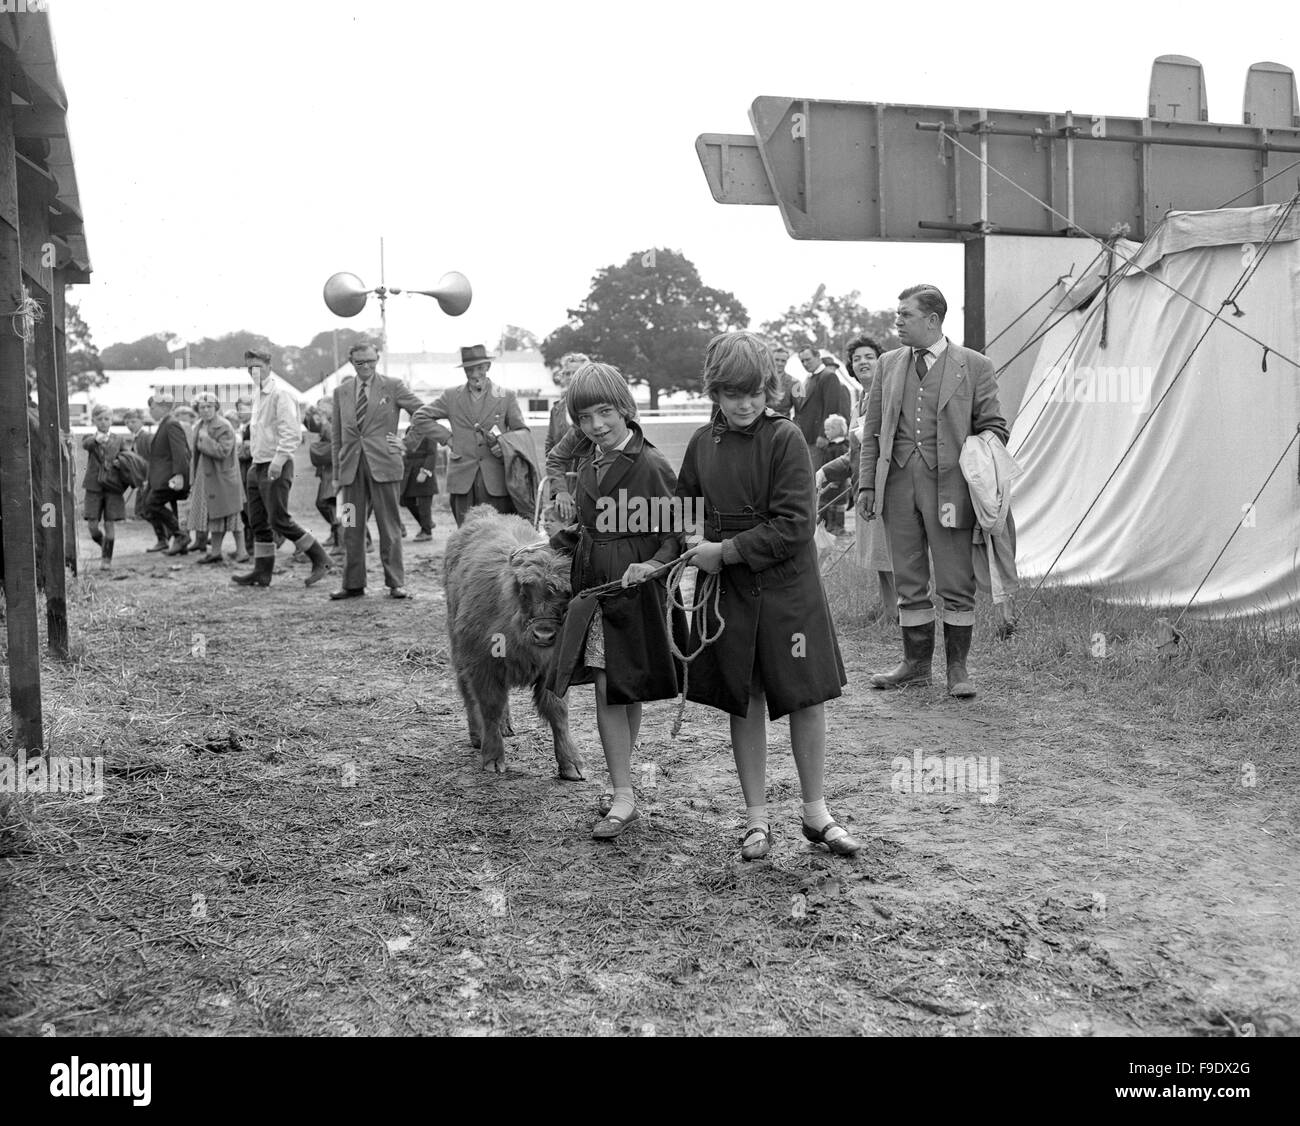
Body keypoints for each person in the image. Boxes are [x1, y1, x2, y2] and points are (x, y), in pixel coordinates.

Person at [676, 331, 861, 861]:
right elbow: (682, 506)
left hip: (787, 589)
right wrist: (687, 540)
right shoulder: (699, 444)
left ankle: (815, 812)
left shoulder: (786, 440)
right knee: (745, 695)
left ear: (770, 389)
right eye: (734, 394)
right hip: (728, 593)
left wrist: (724, 550)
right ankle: (756, 820)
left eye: (755, 392)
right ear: (715, 391)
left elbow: (796, 524)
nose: (745, 404)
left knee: (805, 696)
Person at [546, 363, 683, 840]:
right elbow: (590, 523)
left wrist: (651, 566)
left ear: (624, 407)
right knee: (608, 686)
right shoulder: (588, 461)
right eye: (585, 418)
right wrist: (562, 539)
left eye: (604, 412)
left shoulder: (652, 464)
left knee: (625, 688)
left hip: (634, 592)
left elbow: (675, 538)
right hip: (595, 588)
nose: (596, 425)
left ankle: (621, 786)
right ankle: (623, 793)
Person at [856, 284, 1008, 698]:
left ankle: (957, 670)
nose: (898, 321)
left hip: (952, 489)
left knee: (956, 579)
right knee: (908, 576)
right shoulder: (888, 364)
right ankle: (915, 665)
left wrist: (977, 462)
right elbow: (872, 432)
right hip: (898, 486)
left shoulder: (975, 366)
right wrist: (867, 483)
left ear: (933, 319)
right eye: (898, 314)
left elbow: (995, 427)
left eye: (905, 315)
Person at [328, 341, 425, 600]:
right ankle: (352, 584)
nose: (366, 366)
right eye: (360, 362)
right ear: (352, 363)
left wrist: (406, 442)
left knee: (389, 525)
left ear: (377, 359)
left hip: (385, 466)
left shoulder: (393, 386)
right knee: (350, 526)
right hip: (350, 472)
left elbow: (424, 412)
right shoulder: (341, 392)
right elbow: (337, 436)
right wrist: (337, 474)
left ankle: (395, 583)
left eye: (371, 361)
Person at [231, 348, 333, 589]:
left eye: (257, 367)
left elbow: (291, 433)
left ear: (268, 366)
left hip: (276, 464)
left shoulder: (281, 394)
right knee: (258, 521)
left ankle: (321, 558)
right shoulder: (257, 395)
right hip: (257, 465)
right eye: (249, 368)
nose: (253, 372)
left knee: (279, 519)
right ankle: (262, 571)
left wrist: (277, 462)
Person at [816, 333, 896, 618]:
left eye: (869, 357)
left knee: (891, 555)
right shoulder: (860, 401)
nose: (862, 362)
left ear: (881, 361)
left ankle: (901, 615)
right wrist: (825, 471)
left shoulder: (889, 394)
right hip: (864, 489)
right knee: (878, 556)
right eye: (857, 359)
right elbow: (854, 454)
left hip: (887, 487)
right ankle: (890, 613)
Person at [409, 344, 528, 527]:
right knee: (465, 534)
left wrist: (504, 445)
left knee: (496, 534)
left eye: (479, 368)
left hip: (495, 480)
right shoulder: (451, 396)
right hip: (462, 480)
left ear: (488, 367)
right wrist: (447, 438)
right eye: (469, 369)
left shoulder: (506, 396)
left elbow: (522, 432)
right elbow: (420, 416)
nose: (474, 374)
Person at [191, 392, 243, 564]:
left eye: (209, 407)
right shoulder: (199, 425)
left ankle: (241, 551)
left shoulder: (223, 426)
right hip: (206, 476)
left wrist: (206, 440)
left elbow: (223, 451)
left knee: (231, 515)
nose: (206, 410)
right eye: (202, 407)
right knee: (214, 515)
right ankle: (215, 551)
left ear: (216, 408)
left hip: (222, 477)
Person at [141, 391, 191, 555]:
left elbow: (180, 452)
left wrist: (178, 475)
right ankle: (181, 544)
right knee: (178, 509)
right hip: (168, 476)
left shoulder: (171, 424)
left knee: (152, 503)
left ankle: (180, 535)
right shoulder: (166, 423)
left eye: (153, 407)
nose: (151, 411)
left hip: (170, 477)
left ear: (164, 407)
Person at [81, 404, 127, 571]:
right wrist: (96, 440)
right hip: (93, 487)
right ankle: (104, 546)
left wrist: (120, 462)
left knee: (109, 524)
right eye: (99, 419)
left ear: (112, 419)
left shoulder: (118, 439)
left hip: (112, 487)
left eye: (107, 418)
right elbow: (86, 444)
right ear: (93, 420)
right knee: (92, 526)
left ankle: (107, 559)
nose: (103, 422)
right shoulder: (89, 438)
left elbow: (127, 457)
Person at [794, 345, 852, 456]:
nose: (805, 364)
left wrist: (823, 435)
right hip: (807, 437)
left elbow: (831, 408)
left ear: (818, 357)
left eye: (808, 359)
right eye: (802, 361)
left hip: (818, 438)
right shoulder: (809, 378)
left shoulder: (829, 376)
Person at [303, 397, 342, 553]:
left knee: (342, 506)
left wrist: (324, 422)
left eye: (323, 407)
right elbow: (313, 427)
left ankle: (350, 541)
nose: (321, 410)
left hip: (341, 469)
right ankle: (344, 539)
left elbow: (336, 439)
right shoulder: (328, 421)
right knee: (333, 505)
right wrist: (309, 416)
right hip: (331, 470)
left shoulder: (338, 421)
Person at [399, 424, 440, 541]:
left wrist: (425, 471)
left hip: (422, 471)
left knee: (424, 505)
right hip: (409, 471)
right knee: (405, 500)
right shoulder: (409, 429)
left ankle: (426, 531)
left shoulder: (430, 430)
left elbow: (432, 453)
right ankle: (426, 523)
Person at [817, 413, 850, 535]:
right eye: (825, 429)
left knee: (837, 505)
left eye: (829, 429)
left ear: (838, 429)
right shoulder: (829, 446)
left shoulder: (841, 448)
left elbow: (842, 467)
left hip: (837, 484)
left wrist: (836, 481)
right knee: (827, 504)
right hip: (828, 482)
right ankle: (828, 526)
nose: (826, 432)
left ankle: (838, 527)